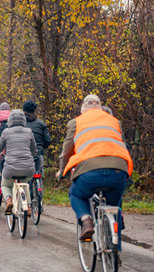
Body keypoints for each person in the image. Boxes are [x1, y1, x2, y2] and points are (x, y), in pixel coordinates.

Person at [56, 94, 132, 245]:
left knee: (76, 194)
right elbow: (122, 144)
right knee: (113, 204)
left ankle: (86, 221)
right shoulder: (115, 121)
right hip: (119, 170)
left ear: (84, 109)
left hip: (88, 172)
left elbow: (66, 152)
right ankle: (115, 246)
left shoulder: (76, 122)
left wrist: (62, 171)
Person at [0, 109, 37, 213]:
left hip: (11, 168)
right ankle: (28, 207)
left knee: (5, 184)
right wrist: (34, 155)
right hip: (27, 168)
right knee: (25, 183)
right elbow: (34, 150)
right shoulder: (29, 131)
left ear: (10, 120)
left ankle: (8, 200)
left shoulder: (6, 132)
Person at [22, 100, 51, 175]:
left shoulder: (21, 123)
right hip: (38, 152)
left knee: (26, 177)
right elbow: (48, 140)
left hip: (24, 153)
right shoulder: (41, 123)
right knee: (38, 174)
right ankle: (39, 184)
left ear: (24, 111)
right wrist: (41, 147)